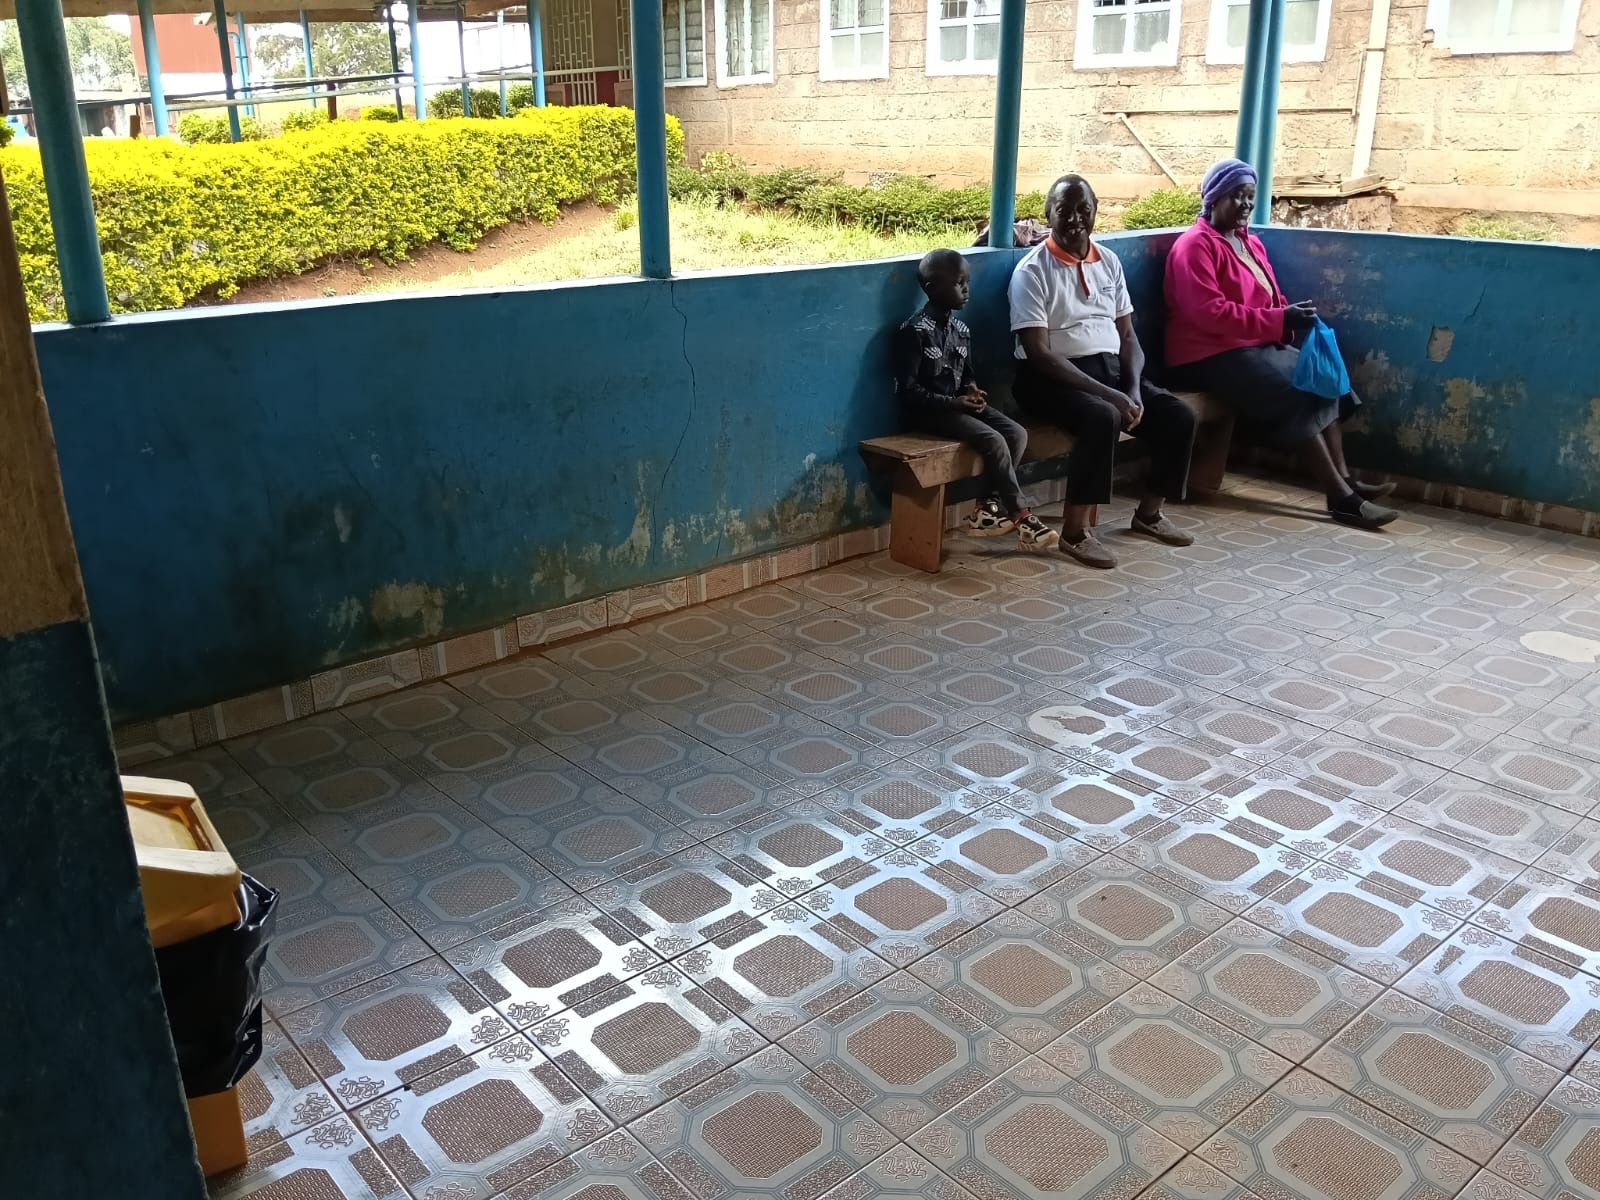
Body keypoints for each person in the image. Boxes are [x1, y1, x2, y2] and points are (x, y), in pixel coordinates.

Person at [1163, 158, 1398, 530]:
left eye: (1250, 196)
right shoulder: (1195, 246)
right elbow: (1208, 314)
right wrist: (1278, 320)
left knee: (1322, 377)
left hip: (1250, 343)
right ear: (1213, 198)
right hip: (1206, 353)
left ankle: (1346, 480)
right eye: (1236, 195)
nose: (1245, 204)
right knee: (1293, 390)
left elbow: (1270, 296)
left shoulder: (1249, 243)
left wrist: (1289, 315)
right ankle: (1340, 498)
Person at [1009, 174, 1198, 569]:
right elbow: (1039, 353)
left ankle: (1149, 514)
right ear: (1048, 214)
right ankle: (1075, 533)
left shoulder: (1108, 261)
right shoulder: (1033, 271)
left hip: (1108, 371)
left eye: (1084, 209)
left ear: (1096, 212)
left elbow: (1127, 336)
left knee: (1178, 415)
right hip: (1048, 377)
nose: (1075, 219)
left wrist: (1133, 388)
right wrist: (1111, 396)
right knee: (1102, 416)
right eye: (1064, 210)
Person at [895, 249, 1060, 550]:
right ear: (931, 288)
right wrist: (953, 404)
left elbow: (967, 374)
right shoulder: (915, 331)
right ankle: (1022, 517)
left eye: (967, 282)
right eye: (958, 283)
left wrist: (972, 391)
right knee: (993, 439)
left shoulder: (961, 330)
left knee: (1017, 433)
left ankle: (986, 507)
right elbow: (907, 391)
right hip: (929, 412)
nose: (966, 289)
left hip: (959, 407)